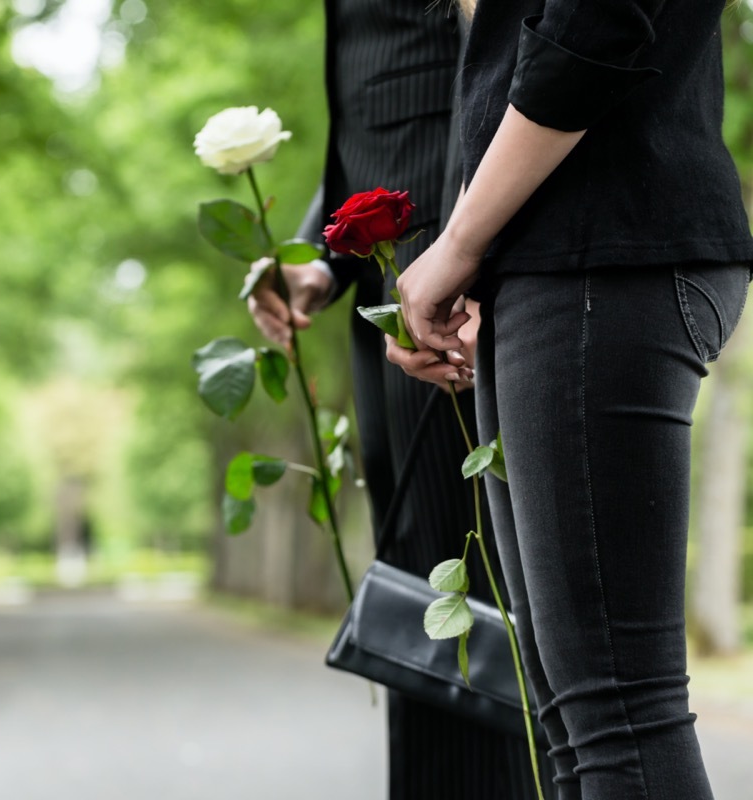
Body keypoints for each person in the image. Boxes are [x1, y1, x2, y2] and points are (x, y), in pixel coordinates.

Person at [386, 1, 753, 798]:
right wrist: (473, 262)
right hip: (562, 256)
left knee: (616, 718)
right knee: (571, 723)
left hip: (601, 249)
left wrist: (460, 245)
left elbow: (596, 20)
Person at [248, 2, 552, 797]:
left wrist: (479, 263)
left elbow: (503, 71)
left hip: (456, 292)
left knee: (478, 613)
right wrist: (326, 258)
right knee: (429, 608)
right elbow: (381, 113)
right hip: (392, 291)